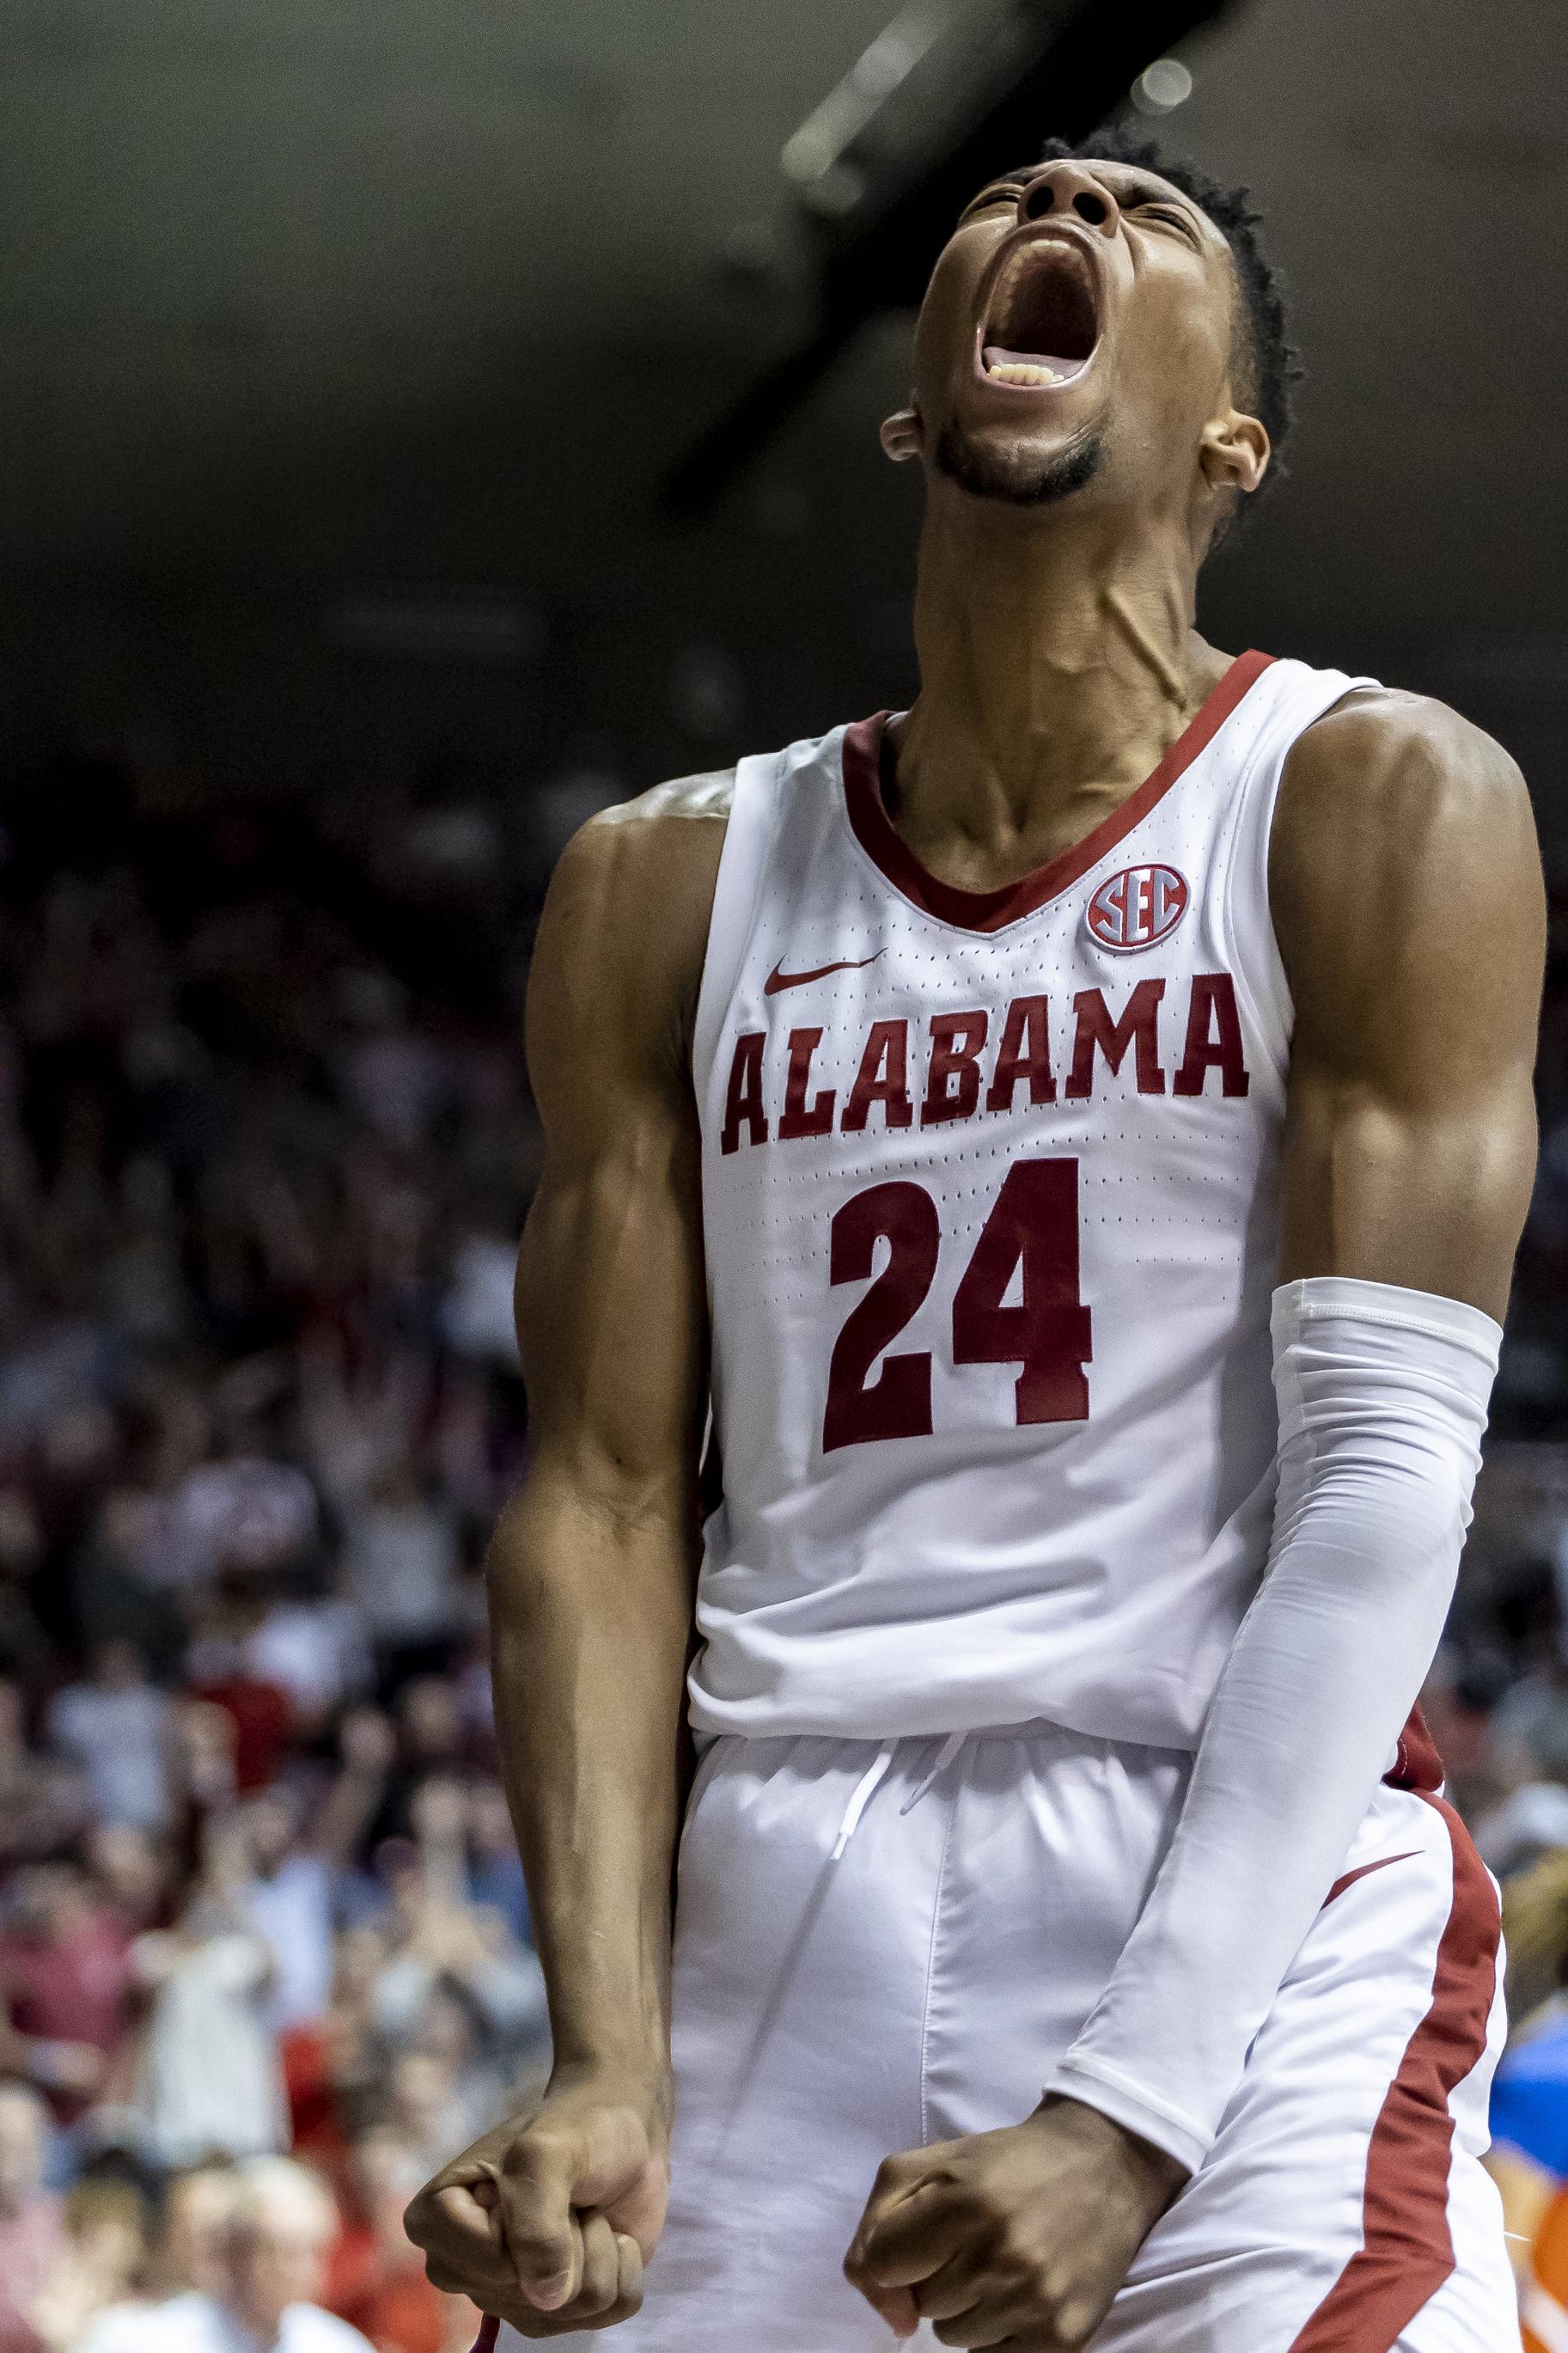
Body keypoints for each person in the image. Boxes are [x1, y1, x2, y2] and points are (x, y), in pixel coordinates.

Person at [405, 126, 1544, 2351]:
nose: (1064, 218)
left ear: (1236, 437)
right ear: (917, 399)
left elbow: (1388, 1485)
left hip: (1210, 1876)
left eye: (1143, 218)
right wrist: (602, 2051)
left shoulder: (1370, 795)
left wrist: (1130, 2112)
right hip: (768, 1884)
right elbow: (605, 1506)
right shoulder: (664, 887)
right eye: (1024, 197)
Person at [76, 2155, 375, 2353]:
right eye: (282, 2250)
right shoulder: (136, 2339)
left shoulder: (337, 2345)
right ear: (233, 2250)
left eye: (315, 2250)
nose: (302, 2269)